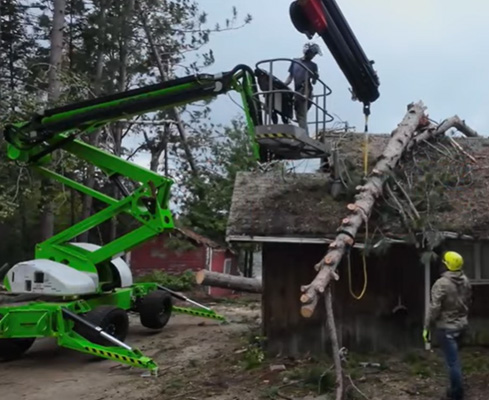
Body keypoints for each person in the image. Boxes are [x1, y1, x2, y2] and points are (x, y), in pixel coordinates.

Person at [423, 251, 472, 400]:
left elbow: (434, 308)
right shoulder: (466, 280)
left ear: (446, 265)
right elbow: (469, 301)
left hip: (446, 328)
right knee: (455, 360)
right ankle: (454, 389)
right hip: (462, 326)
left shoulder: (441, 284)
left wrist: (427, 326)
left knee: (452, 363)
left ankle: (456, 394)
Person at [284, 43, 321, 135]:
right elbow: (290, 77)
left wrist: (315, 77)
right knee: (298, 114)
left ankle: (305, 136)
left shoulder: (313, 65)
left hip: (306, 91)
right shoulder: (295, 61)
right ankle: (303, 134)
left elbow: (313, 82)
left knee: (301, 115)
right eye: (313, 54)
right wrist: (283, 85)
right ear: (308, 52)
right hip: (297, 92)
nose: (313, 56)